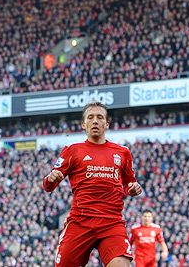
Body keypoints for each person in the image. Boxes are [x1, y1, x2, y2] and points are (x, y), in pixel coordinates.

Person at [42, 100, 143, 267]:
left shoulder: (123, 153)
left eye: (100, 117)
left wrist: (134, 188)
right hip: (80, 221)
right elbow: (47, 186)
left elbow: (130, 183)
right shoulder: (72, 150)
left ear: (107, 123)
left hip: (112, 222)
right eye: (90, 117)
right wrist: (51, 179)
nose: (95, 121)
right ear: (83, 124)